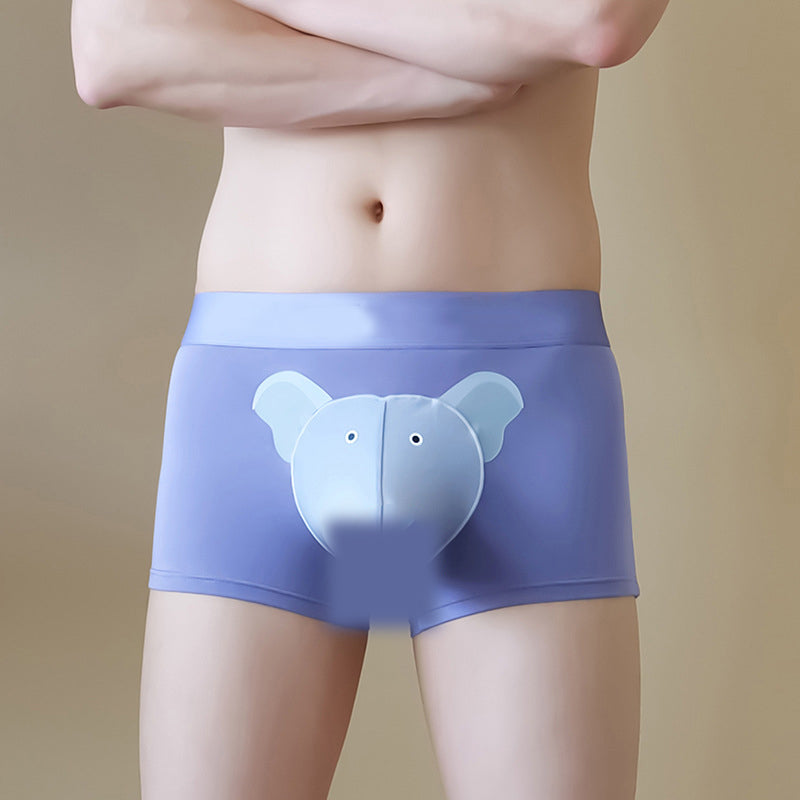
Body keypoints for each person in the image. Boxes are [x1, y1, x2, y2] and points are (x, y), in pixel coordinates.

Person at [71, 1, 671, 797]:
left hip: (517, 385)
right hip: (257, 385)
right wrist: (457, 70)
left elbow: (596, 20)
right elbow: (111, 51)